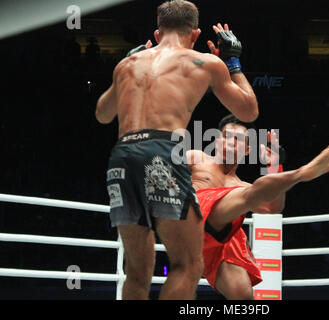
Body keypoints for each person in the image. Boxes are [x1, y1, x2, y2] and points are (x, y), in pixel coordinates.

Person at [95, 0, 258, 300]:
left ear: (157, 34)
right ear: (195, 35)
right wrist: (233, 63)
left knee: (136, 271)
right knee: (187, 264)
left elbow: (102, 115)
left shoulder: (127, 65)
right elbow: (248, 111)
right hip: (161, 150)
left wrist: (125, 71)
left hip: (121, 157)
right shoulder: (203, 62)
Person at [187, 114, 329, 299]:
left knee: (243, 295)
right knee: (248, 194)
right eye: (225, 136)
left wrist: (273, 166)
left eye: (237, 139)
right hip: (193, 220)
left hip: (220, 241)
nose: (229, 143)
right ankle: (301, 173)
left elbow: (273, 207)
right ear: (216, 140)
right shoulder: (197, 157)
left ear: (247, 150)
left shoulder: (244, 188)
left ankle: (292, 174)